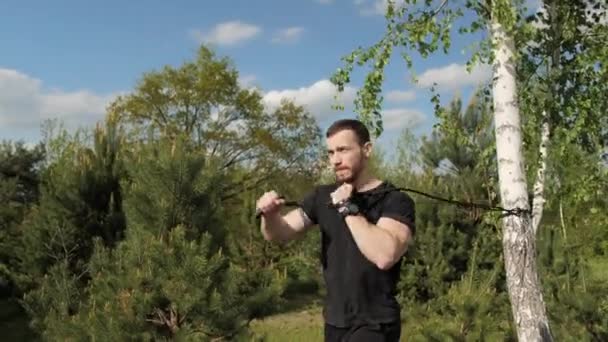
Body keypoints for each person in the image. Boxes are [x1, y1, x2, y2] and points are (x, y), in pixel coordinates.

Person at [256, 118, 415, 342]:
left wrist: (347, 208)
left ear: (366, 149)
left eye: (343, 150)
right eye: (330, 153)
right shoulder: (322, 196)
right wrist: (269, 215)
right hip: (335, 322)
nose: (335, 160)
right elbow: (280, 234)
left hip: (375, 324)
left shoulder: (395, 200)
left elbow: (385, 255)